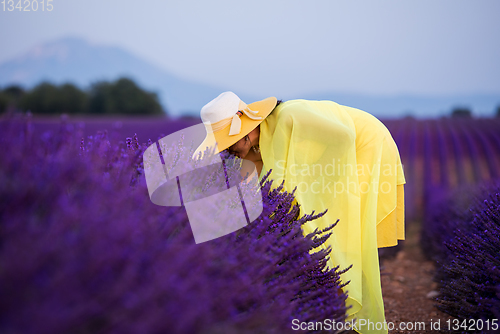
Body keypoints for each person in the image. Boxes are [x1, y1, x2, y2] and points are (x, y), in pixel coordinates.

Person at [195, 91, 406, 334]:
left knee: (337, 227)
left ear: (246, 129)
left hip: (365, 144)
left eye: (228, 143)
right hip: (344, 150)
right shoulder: (259, 143)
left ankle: (348, 307)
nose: (227, 152)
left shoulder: (289, 116)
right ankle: (336, 304)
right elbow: (263, 188)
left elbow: (344, 136)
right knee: (311, 220)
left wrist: (308, 176)